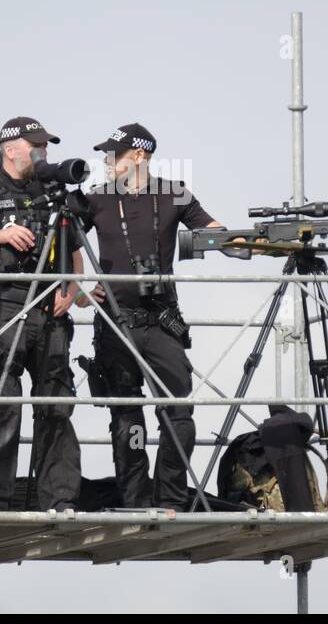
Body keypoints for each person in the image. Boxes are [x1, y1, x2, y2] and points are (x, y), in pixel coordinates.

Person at [76, 123, 222, 510]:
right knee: (126, 416)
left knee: (178, 412)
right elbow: (65, 235)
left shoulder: (173, 193)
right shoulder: (97, 199)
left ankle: (170, 499)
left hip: (160, 321)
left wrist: (252, 241)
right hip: (115, 322)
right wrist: (78, 288)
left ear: (139, 156)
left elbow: (213, 231)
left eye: (114, 155)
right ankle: (135, 499)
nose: (106, 162)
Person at [0, 117, 82, 511]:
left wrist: (70, 291)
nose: (43, 152)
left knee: (56, 404)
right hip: (2, 306)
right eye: (35, 145)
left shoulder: (54, 195)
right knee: (0, 406)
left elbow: (74, 253)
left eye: (46, 146)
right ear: (10, 149)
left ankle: (60, 500)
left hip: (49, 309)